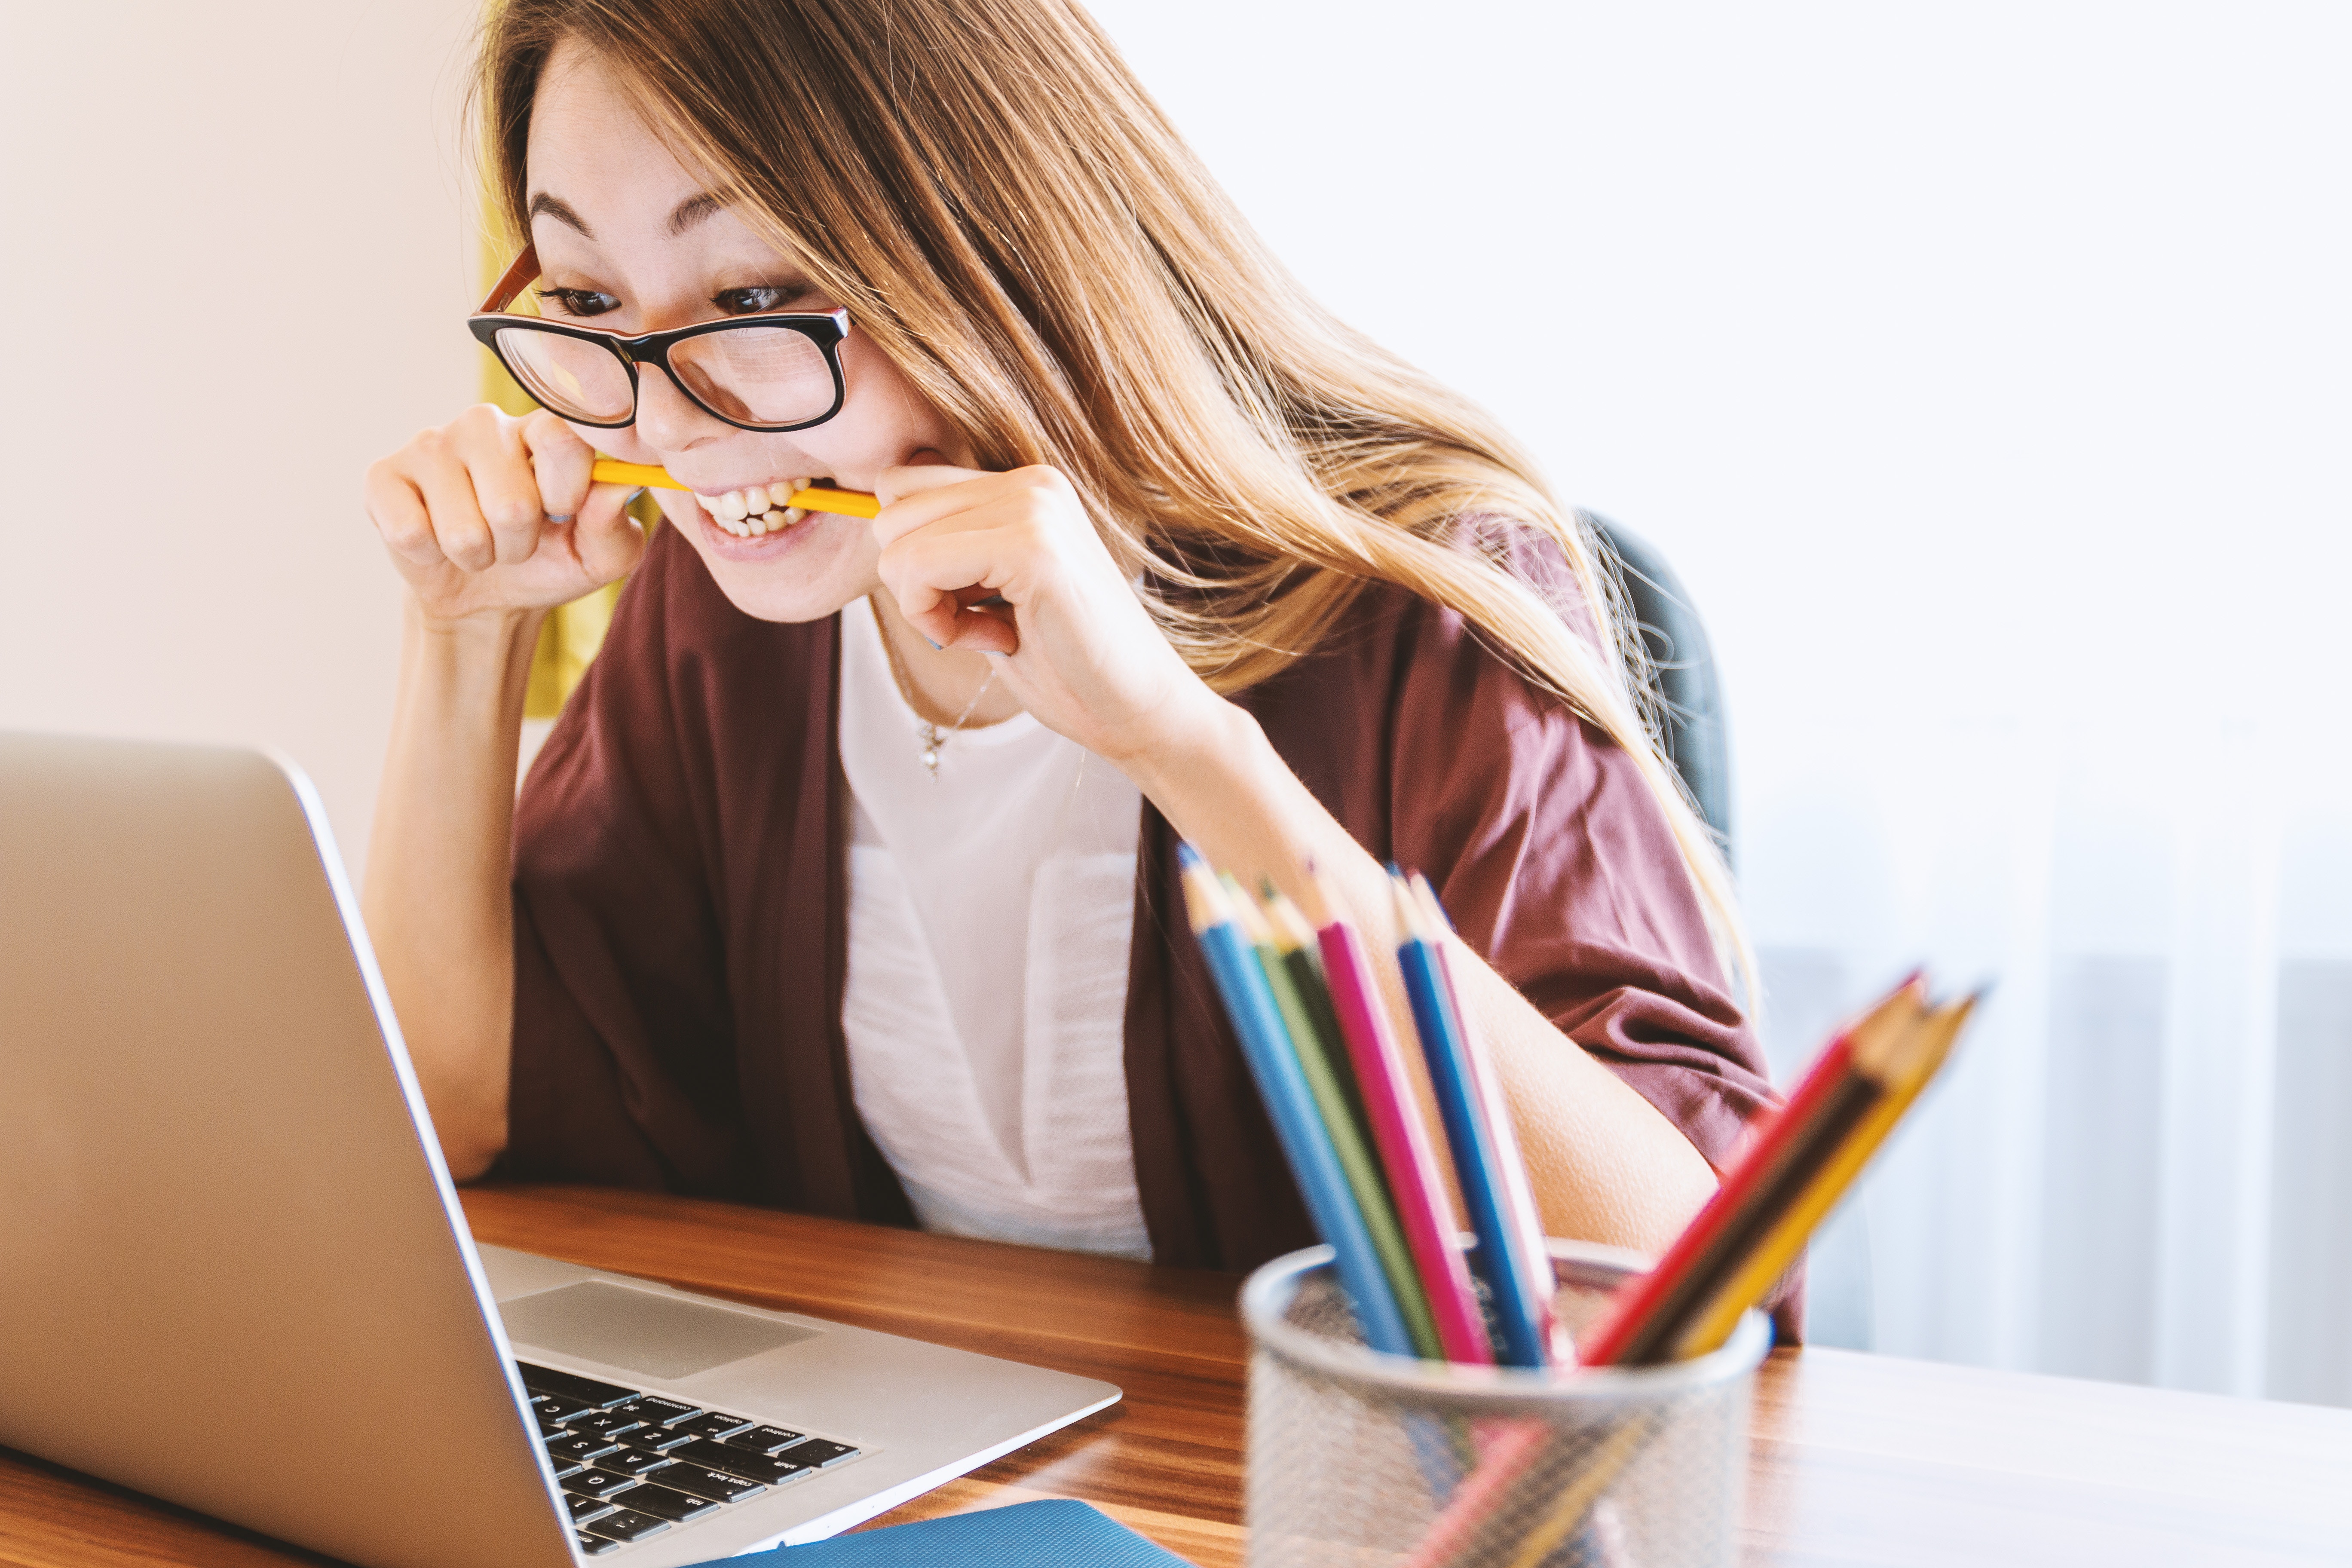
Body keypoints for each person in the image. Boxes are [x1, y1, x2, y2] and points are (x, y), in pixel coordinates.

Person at [361, 0, 1780, 1292]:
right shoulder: (736, 610)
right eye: (591, 303)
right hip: (924, 1475)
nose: (665, 425)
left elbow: (1686, 1277)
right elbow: (452, 1109)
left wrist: (1180, 742)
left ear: (988, 246)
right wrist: (462, 637)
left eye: (750, 299)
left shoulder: (1422, 592)